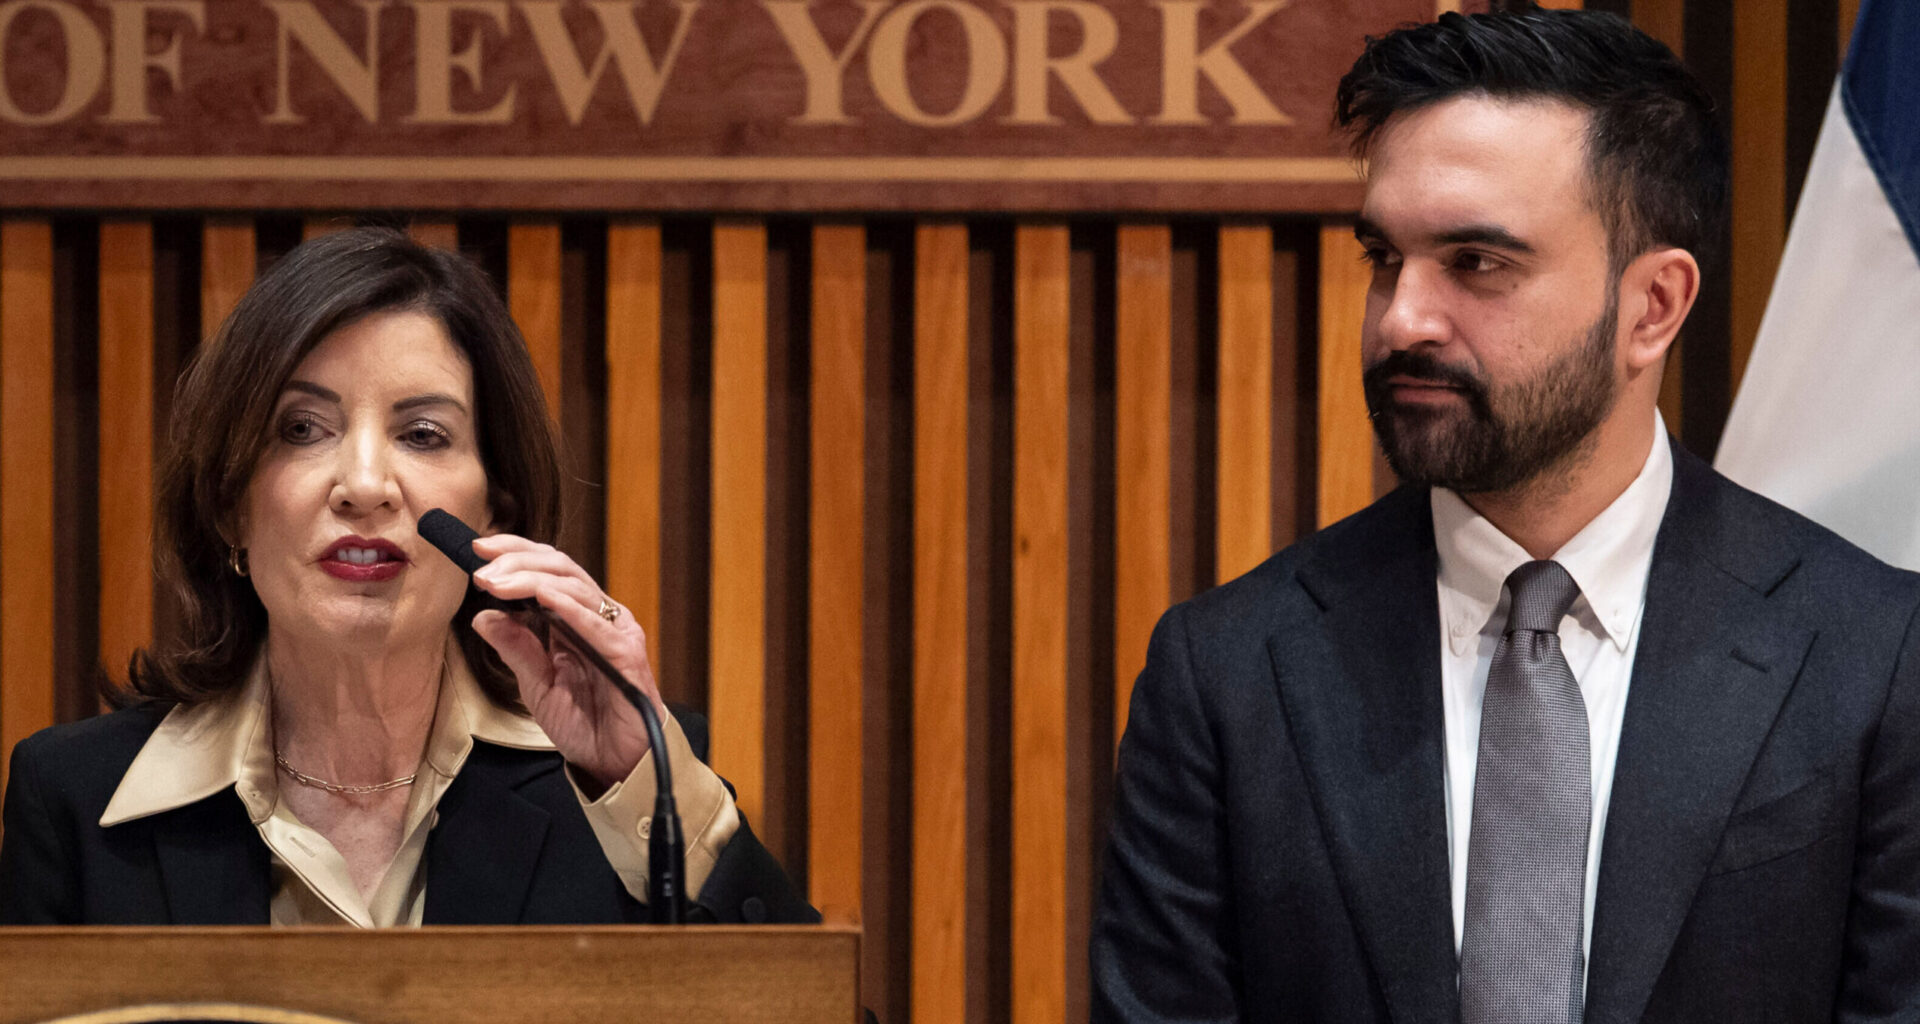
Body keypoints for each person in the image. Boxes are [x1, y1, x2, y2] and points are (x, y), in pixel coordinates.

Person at [1093, 9, 1920, 1023]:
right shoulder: (1225, 674)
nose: (1402, 319)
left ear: (1652, 306)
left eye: (1477, 263)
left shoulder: (1878, 656)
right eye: (1385, 258)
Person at [0, 228, 814, 927]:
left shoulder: (616, 789)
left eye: (423, 434)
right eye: (302, 428)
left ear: (494, 512)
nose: (364, 483)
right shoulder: (77, 803)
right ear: (229, 507)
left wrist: (644, 783)